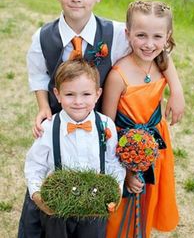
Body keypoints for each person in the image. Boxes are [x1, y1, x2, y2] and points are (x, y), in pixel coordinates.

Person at [19, 0, 184, 237]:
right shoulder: (43, 37)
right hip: (63, 124)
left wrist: (176, 88)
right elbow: (38, 75)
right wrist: (43, 106)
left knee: (96, 190)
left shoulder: (118, 33)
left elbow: (156, 46)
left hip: (100, 126)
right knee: (49, 178)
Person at [102, 0, 182, 238]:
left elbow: (167, 63)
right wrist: (125, 170)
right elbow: (107, 127)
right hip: (124, 150)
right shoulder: (118, 76)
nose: (149, 44)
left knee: (147, 200)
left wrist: (177, 92)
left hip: (156, 146)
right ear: (128, 34)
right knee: (121, 211)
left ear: (167, 37)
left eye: (157, 36)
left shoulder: (160, 62)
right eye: (141, 35)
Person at [24, 59, 125, 238]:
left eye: (86, 94)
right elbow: (34, 166)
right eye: (70, 94)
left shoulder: (106, 125)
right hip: (56, 210)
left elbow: (114, 162)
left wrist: (116, 188)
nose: (78, 101)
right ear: (57, 94)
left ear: (97, 94)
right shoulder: (48, 128)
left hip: (94, 208)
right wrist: (37, 195)